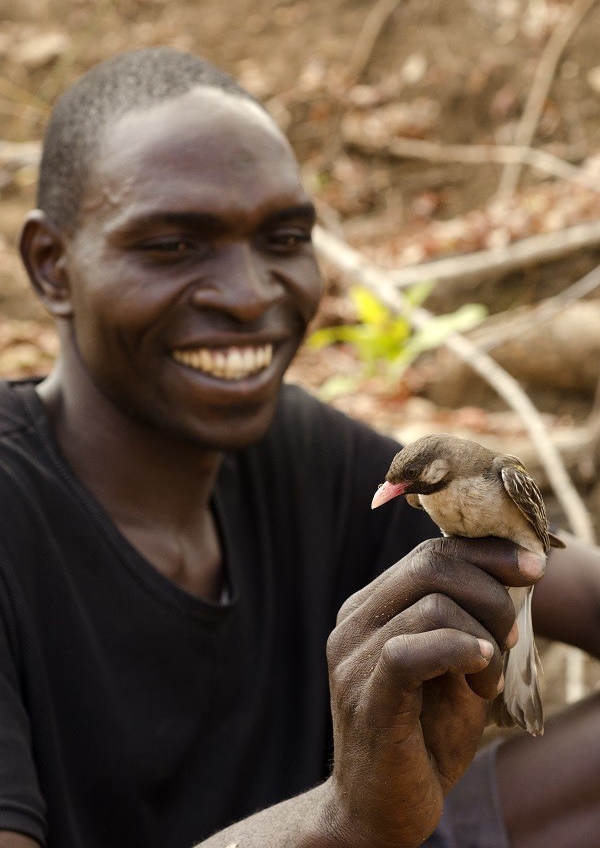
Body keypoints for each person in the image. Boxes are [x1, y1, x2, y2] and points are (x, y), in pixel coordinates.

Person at [0, 47, 598, 848]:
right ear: (52, 266)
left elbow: (573, 582)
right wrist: (344, 820)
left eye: (285, 236)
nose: (251, 294)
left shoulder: (300, 451)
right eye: (172, 244)